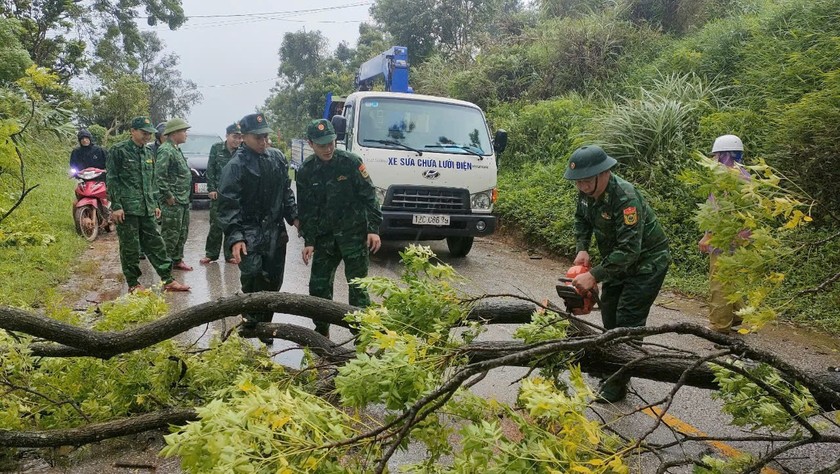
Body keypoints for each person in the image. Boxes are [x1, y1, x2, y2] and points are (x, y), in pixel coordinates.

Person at [564, 145, 670, 403]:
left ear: (604, 173)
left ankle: (618, 382)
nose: (582, 187)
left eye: (587, 181)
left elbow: (630, 251)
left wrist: (594, 275)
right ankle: (613, 365)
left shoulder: (626, 198)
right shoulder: (585, 193)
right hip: (616, 262)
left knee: (628, 320)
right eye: (578, 182)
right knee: (610, 315)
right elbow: (581, 219)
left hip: (646, 264)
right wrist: (582, 248)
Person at [218, 113, 299, 344]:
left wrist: (293, 216)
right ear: (244, 137)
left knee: (273, 280)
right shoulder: (236, 166)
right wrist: (235, 237)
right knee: (253, 275)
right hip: (248, 231)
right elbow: (228, 204)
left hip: (274, 231)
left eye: (266, 137)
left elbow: (285, 192)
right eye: (258, 137)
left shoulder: (277, 158)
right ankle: (249, 321)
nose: (264, 142)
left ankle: (265, 327)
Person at [297, 119, 383, 338]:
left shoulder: (351, 162)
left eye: (331, 143)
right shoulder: (306, 171)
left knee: (358, 288)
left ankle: (361, 335)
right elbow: (306, 209)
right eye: (322, 145)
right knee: (318, 287)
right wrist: (309, 240)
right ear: (310, 144)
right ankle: (321, 332)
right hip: (325, 239)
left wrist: (373, 229)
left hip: (354, 235)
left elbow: (370, 197)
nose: (328, 149)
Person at [106, 116, 190, 293]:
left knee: (156, 243)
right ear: (133, 131)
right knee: (130, 247)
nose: (147, 137)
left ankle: (168, 279)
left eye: (150, 134)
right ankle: (133, 284)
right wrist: (116, 206)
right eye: (144, 133)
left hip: (147, 208)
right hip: (127, 209)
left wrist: (155, 204)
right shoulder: (118, 151)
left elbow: (151, 180)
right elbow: (112, 179)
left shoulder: (148, 152)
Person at [698, 134, 749, 334]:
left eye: (717, 155)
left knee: (719, 281)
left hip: (724, 238)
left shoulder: (724, 178)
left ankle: (719, 325)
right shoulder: (744, 174)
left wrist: (708, 235)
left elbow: (719, 212)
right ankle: (736, 317)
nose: (714, 159)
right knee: (731, 277)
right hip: (741, 238)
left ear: (724, 155)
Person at [200, 122, 242, 264]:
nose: (237, 140)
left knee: (233, 223)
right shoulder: (217, 148)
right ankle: (211, 254)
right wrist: (211, 189)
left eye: (240, 137)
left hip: (236, 194)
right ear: (227, 136)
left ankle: (230, 254)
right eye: (234, 137)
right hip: (219, 193)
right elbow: (210, 168)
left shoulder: (242, 151)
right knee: (216, 225)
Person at [156, 118, 194, 272]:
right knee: (170, 234)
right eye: (184, 131)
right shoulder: (166, 150)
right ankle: (165, 266)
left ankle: (177, 260)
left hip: (182, 199)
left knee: (182, 232)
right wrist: (168, 195)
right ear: (174, 133)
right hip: (173, 200)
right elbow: (159, 175)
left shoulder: (176, 148)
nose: (186, 134)